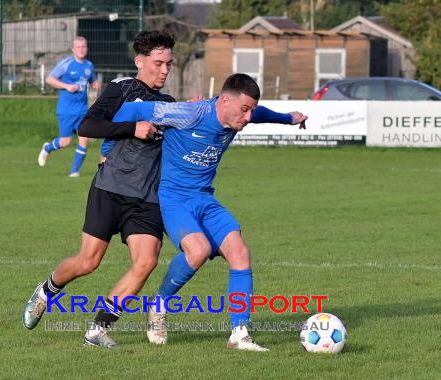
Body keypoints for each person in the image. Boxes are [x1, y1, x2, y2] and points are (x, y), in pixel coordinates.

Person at [108, 73, 308, 352]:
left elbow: (260, 112)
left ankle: (239, 334)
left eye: (250, 110)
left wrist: (289, 118)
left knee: (240, 253)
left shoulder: (237, 116)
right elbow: (132, 109)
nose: (248, 118)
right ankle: (158, 306)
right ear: (224, 100)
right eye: (244, 110)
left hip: (204, 198)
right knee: (198, 251)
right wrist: (107, 148)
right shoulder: (190, 112)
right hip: (174, 198)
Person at [23, 30, 175, 348]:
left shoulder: (168, 105)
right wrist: (131, 128)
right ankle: (47, 289)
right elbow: (88, 126)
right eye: (159, 63)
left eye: (169, 64)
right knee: (88, 262)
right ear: (140, 61)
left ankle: (98, 329)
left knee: (146, 261)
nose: (164, 70)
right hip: (110, 188)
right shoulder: (122, 89)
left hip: (147, 197)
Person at [38, 36, 102, 177]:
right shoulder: (66, 64)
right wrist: (66, 86)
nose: (81, 49)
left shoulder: (89, 65)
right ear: (73, 49)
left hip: (82, 110)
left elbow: (92, 80)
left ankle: (74, 172)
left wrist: (95, 84)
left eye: (84, 46)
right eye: (78, 47)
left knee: (84, 139)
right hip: (66, 110)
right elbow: (49, 79)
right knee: (66, 141)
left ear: (87, 48)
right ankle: (47, 148)